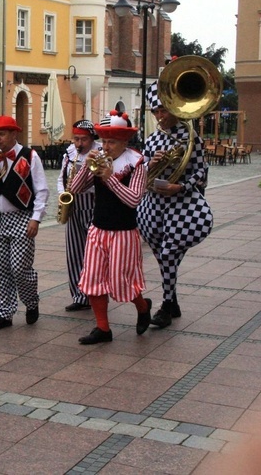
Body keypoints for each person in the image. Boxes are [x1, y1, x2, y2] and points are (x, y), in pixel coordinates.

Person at [69, 110, 150, 344]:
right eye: (104, 141)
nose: (106, 146)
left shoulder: (136, 163)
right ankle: (103, 328)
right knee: (92, 279)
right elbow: (74, 188)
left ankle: (143, 307)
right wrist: (87, 166)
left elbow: (134, 199)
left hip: (124, 231)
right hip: (98, 228)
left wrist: (110, 178)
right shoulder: (98, 159)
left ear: (124, 141)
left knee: (121, 281)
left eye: (111, 141)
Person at [137, 81, 213, 328]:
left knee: (169, 254)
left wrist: (180, 187)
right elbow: (142, 172)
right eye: (156, 112)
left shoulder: (192, 138)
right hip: (153, 205)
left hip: (182, 205)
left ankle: (166, 307)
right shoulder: (151, 140)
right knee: (162, 257)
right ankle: (174, 301)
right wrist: (151, 164)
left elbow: (201, 171)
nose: (160, 116)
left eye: (163, 110)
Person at [0, 116, 49, 330]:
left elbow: (42, 189)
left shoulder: (30, 156)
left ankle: (31, 301)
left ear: (13, 134)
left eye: (1, 134)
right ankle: (3, 313)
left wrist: (36, 218)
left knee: (20, 268)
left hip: (22, 218)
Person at [57, 120, 101, 312]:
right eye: (76, 139)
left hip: (93, 205)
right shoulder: (69, 153)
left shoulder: (100, 153)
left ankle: (94, 293)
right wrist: (63, 194)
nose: (79, 143)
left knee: (92, 254)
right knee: (74, 253)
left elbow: (101, 182)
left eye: (83, 139)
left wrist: (81, 186)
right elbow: (61, 178)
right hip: (73, 206)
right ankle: (79, 295)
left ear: (92, 138)